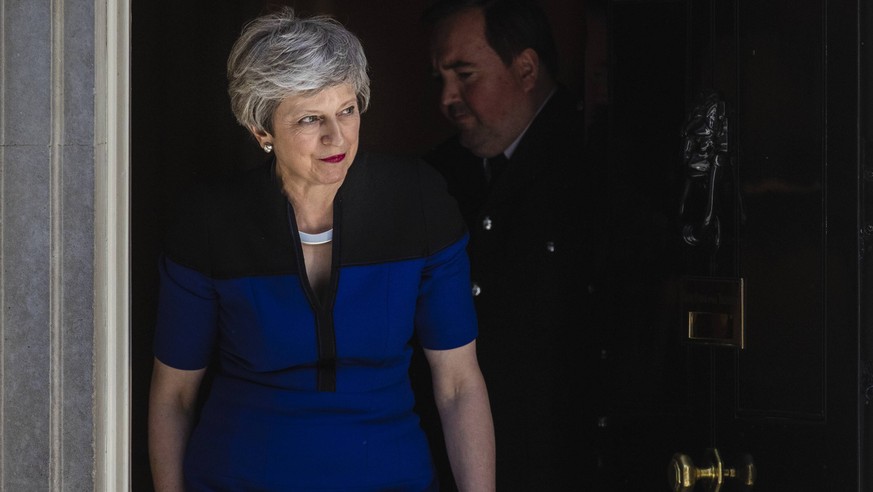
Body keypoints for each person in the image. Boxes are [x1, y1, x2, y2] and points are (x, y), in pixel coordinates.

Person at [148, 8, 495, 491]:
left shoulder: (417, 201)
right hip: (240, 478)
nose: (337, 137)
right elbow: (174, 398)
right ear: (261, 131)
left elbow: (458, 385)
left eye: (347, 110)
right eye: (311, 118)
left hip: (392, 478)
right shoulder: (210, 222)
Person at [418, 0, 605, 489]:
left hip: (566, 461)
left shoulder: (595, 161)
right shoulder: (436, 177)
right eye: (441, 79)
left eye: (465, 74)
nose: (447, 98)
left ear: (525, 69)